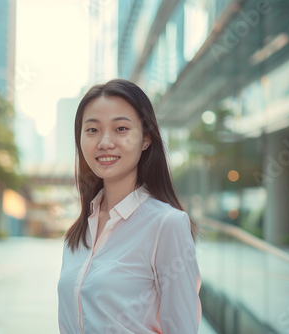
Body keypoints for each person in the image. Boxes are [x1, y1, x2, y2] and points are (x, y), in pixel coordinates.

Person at [57, 79, 202, 333]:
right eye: (92, 130)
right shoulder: (78, 234)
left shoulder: (167, 225)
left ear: (146, 139)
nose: (104, 142)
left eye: (121, 129)